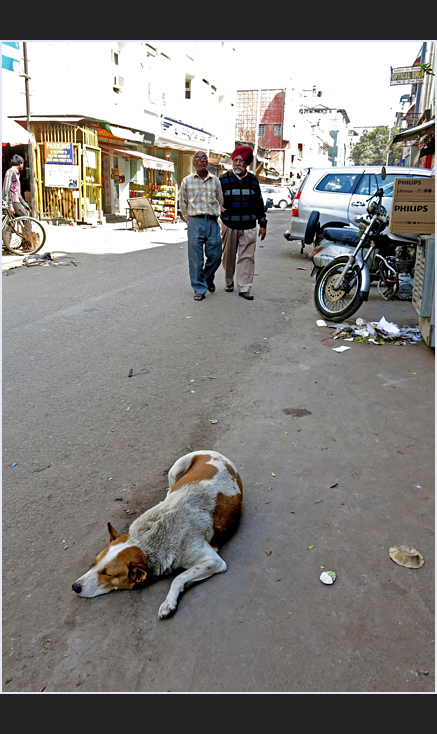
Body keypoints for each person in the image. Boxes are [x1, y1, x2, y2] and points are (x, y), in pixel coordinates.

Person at [219, 145, 267, 300]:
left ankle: (244, 287)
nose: (237, 164)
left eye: (241, 161)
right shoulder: (223, 179)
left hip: (249, 226)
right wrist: (217, 206)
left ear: (247, 163)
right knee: (228, 257)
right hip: (229, 225)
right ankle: (228, 282)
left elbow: (259, 204)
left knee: (247, 258)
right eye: (235, 160)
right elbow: (214, 199)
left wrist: (263, 223)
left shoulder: (253, 181)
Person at [179, 151, 224, 301]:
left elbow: (220, 201)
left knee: (216, 255)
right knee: (196, 258)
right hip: (195, 222)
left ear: (207, 162)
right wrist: (190, 220)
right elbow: (182, 204)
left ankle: (207, 278)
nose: (201, 161)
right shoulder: (187, 181)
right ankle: (199, 288)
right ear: (194, 164)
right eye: (197, 159)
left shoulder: (215, 181)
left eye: (204, 158)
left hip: (212, 222)